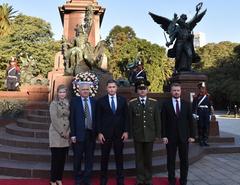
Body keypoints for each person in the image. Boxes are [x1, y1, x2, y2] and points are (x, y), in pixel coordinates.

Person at [149, 2, 206, 73]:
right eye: (182, 19)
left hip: (187, 43)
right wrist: (169, 43)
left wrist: (197, 11)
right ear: (181, 19)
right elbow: (173, 37)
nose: (183, 21)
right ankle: (176, 69)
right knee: (178, 56)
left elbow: (194, 19)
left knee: (190, 54)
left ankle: (189, 69)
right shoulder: (177, 29)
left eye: (184, 19)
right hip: (179, 43)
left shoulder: (187, 26)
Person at [96, 79, 129, 185]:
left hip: (119, 134)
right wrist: (99, 133)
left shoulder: (123, 100)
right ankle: (103, 180)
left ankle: (120, 180)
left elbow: (126, 117)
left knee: (119, 158)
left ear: (116, 88)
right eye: (109, 87)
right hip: (105, 135)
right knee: (104, 158)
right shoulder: (101, 101)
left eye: (113, 87)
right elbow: (98, 118)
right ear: (106, 88)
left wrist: (126, 131)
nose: (111, 89)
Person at [161, 83, 195, 185]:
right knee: (170, 160)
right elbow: (163, 121)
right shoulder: (165, 104)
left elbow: (191, 121)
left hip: (184, 137)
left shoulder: (186, 104)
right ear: (171, 92)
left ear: (181, 91)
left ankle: (183, 180)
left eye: (178, 90)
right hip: (170, 138)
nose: (176, 92)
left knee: (184, 160)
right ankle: (171, 180)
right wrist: (164, 135)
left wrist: (192, 136)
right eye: (174, 90)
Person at [128, 79, 161, 185]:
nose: (142, 91)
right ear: (137, 91)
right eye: (140, 89)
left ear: (147, 90)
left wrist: (158, 135)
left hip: (150, 135)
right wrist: (131, 134)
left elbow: (157, 120)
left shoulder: (154, 103)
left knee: (148, 158)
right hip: (138, 135)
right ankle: (139, 179)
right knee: (139, 158)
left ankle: (148, 178)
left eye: (144, 89)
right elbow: (130, 120)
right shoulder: (132, 103)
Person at [70, 82, 97, 185]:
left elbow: (96, 118)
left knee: (89, 158)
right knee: (77, 158)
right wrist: (72, 134)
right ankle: (77, 178)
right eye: (83, 89)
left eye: (87, 89)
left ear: (89, 90)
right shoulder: (74, 101)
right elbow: (71, 118)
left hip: (91, 134)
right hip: (78, 135)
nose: (85, 91)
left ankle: (86, 179)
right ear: (79, 91)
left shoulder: (94, 101)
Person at [49, 85, 70, 185]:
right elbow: (54, 120)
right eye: (60, 92)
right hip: (56, 134)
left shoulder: (68, 103)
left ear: (66, 93)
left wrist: (68, 132)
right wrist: (62, 132)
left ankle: (59, 179)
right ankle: (53, 180)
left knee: (62, 159)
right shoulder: (53, 104)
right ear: (57, 93)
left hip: (66, 134)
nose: (62, 94)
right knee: (56, 159)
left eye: (64, 92)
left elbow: (70, 118)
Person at [192, 82, 213, 147]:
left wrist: (209, 114)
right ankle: (201, 141)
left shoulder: (208, 96)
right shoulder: (196, 97)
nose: (202, 90)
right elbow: (194, 106)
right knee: (200, 126)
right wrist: (194, 114)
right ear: (199, 89)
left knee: (206, 127)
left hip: (206, 113)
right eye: (201, 88)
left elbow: (209, 106)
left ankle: (205, 140)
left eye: (204, 88)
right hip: (200, 112)